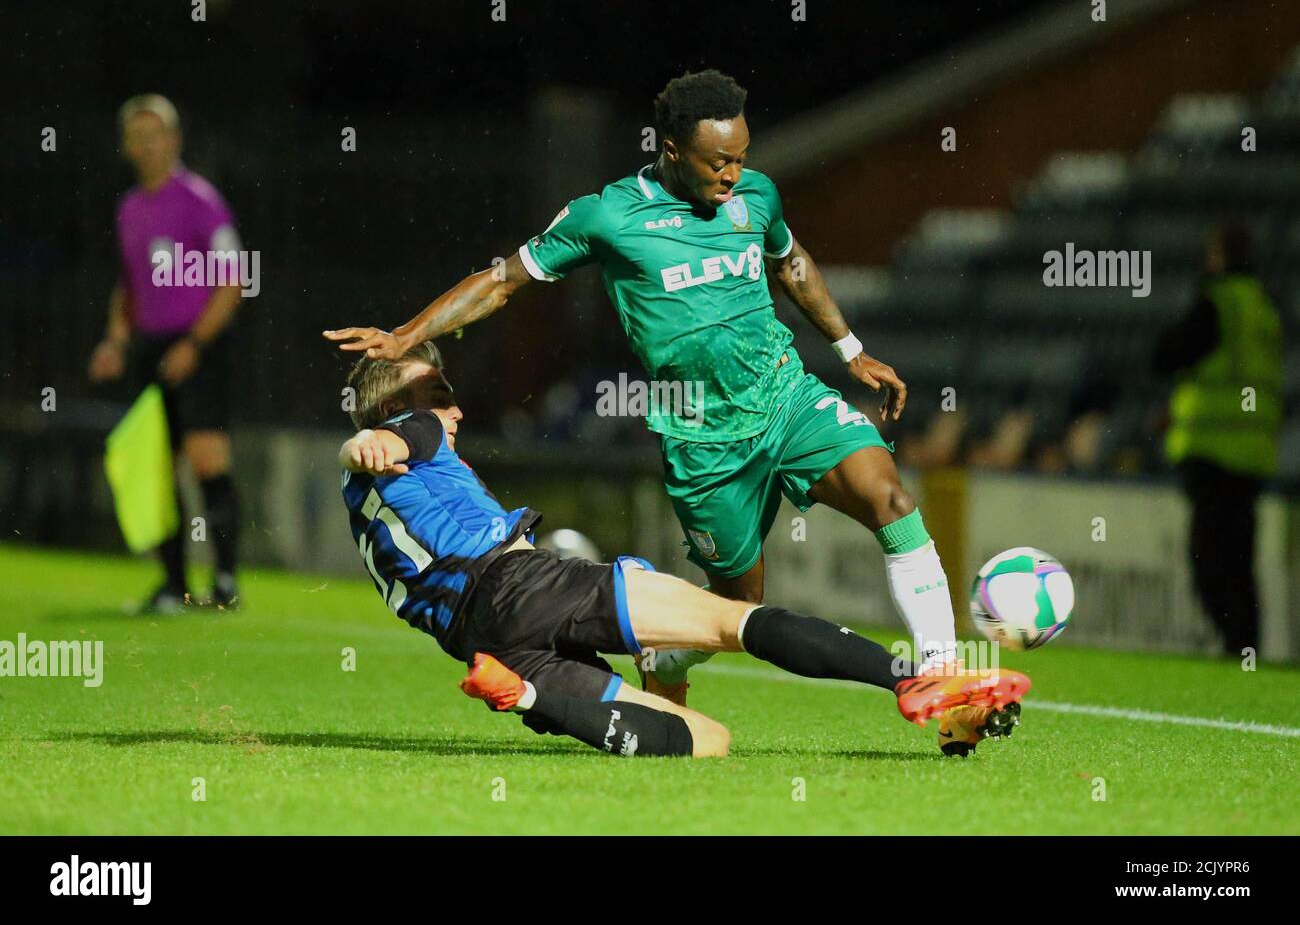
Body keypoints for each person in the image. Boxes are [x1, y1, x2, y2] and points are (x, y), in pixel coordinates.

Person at [324, 70, 962, 707]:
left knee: (892, 503)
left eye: (741, 159)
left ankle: (945, 677)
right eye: (719, 163)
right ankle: (667, 655)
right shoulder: (607, 217)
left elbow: (789, 262)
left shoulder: (756, 197)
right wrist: (409, 334)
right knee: (738, 610)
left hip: (786, 397)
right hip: (703, 440)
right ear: (673, 150)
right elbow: (502, 281)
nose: (733, 175)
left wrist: (849, 349)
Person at [336, 341, 1031, 757]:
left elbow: (369, 453)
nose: (450, 407)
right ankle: (914, 678)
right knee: (736, 619)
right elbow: (389, 440)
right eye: (437, 393)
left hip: (485, 645)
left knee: (706, 741)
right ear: (392, 411)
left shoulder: (357, 500)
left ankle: (524, 699)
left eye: (446, 393)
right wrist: (372, 438)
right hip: (523, 583)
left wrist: (363, 447)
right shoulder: (409, 431)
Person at [87, 94, 246, 613]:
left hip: (199, 344)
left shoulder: (200, 200)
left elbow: (231, 282)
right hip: (150, 349)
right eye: (136, 136)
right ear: (126, 146)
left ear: (174, 140)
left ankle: (224, 582)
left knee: (206, 459)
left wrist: (195, 344)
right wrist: (115, 339)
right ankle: (173, 586)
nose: (145, 145)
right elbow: (128, 286)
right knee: (155, 467)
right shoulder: (129, 207)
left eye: (154, 134)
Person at [1153, 224, 1283, 656]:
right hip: (1254, 451)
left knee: (1207, 558)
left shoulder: (1218, 303)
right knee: (1240, 560)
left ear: (1219, 255)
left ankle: (1235, 644)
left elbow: (1168, 354)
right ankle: (1246, 648)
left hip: (1212, 449)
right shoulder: (1264, 306)